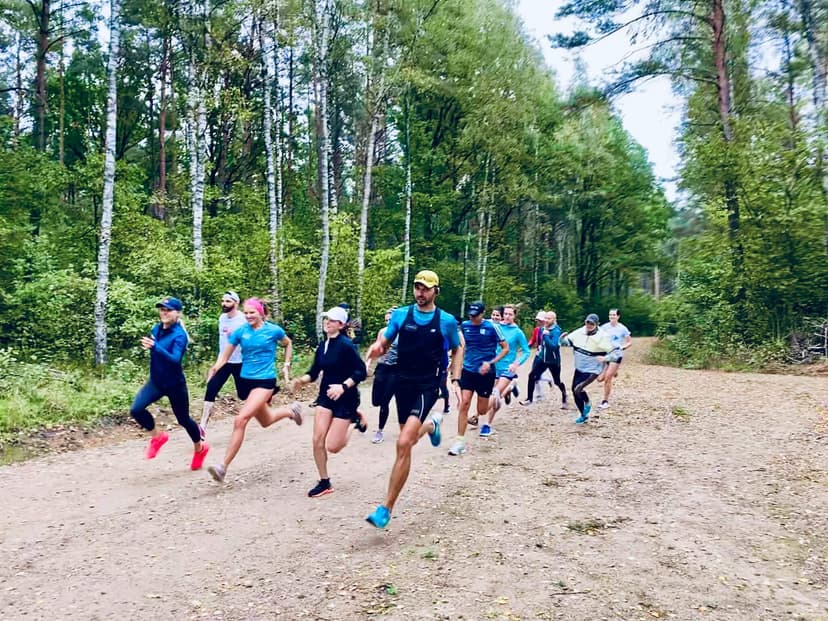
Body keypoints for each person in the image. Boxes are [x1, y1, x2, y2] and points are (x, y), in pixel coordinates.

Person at [364, 270, 462, 529]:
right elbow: (385, 343)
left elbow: (457, 347)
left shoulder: (446, 321)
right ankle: (431, 426)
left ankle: (386, 508)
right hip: (402, 381)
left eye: (426, 288)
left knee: (404, 442)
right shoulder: (400, 315)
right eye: (418, 287)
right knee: (407, 442)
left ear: (435, 292)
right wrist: (377, 349)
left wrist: (455, 379)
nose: (421, 292)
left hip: (427, 384)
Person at [207, 298, 302, 483]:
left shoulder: (273, 330)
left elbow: (287, 343)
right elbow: (224, 356)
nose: (249, 315)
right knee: (266, 421)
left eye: (252, 312)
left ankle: (222, 468)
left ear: (261, 313)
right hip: (246, 382)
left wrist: (286, 364)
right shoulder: (240, 332)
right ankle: (291, 411)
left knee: (240, 419)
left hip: (265, 381)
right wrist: (215, 368)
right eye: (246, 312)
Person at [291, 306, 368, 498]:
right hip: (326, 396)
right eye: (326, 319)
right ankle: (324, 482)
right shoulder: (323, 346)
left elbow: (361, 372)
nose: (327, 322)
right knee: (317, 440)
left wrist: (343, 386)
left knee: (333, 446)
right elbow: (315, 371)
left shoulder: (347, 345)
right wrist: (302, 380)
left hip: (346, 398)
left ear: (340, 325)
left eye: (332, 320)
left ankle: (355, 422)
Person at [130, 297, 209, 470]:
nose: (164, 313)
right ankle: (157, 437)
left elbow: (175, 359)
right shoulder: (156, 329)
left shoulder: (180, 335)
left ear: (178, 313)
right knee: (136, 409)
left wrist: (155, 347)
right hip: (156, 382)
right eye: (162, 309)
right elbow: (157, 350)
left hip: (175, 385)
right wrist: (151, 346)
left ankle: (200, 449)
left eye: (168, 310)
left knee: (184, 420)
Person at [447, 301, 507, 456]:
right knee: (464, 403)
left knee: (481, 410)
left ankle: (495, 397)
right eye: (471, 315)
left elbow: (505, 348)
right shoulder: (465, 326)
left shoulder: (493, 327)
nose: (473, 319)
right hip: (468, 370)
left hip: (486, 373)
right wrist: (453, 367)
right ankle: (459, 442)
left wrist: (491, 362)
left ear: (482, 314)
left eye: (476, 316)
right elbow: (462, 348)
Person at [199, 291, 246, 437]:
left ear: (236, 303)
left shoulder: (244, 319)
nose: (224, 304)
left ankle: (264, 397)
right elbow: (223, 342)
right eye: (223, 301)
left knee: (243, 394)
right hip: (224, 361)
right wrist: (216, 364)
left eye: (227, 301)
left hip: (241, 362)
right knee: (211, 388)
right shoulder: (222, 318)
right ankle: (202, 426)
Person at [559, 313, 618, 425]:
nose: (589, 325)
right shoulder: (579, 332)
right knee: (574, 391)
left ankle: (588, 402)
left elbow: (615, 353)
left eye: (592, 323)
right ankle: (583, 415)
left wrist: (606, 358)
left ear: (597, 324)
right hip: (579, 367)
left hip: (593, 369)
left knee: (578, 389)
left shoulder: (603, 336)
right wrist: (562, 339)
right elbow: (567, 343)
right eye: (587, 322)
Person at [488, 304, 530, 429]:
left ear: (514, 316)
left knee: (495, 394)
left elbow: (526, 351)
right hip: (493, 365)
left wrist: (516, 363)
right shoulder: (495, 327)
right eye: (505, 314)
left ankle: (485, 422)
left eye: (510, 314)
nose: (507, 316)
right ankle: (510, 388)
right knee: (491, 395)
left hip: (507, 367)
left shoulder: (517, 332)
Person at [520, 311, 568, 408]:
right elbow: (540, 342)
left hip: (553, 361)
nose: (546, 320)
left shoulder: (556, 331)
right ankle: (529, 399)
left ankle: (564, 394)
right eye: (545, 318)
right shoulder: (542, 329)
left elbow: (554, 347)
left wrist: (546, 336)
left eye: (549, 318)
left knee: (557, 381)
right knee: (532, 376)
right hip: (542, 358)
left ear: (554, 320)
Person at [365, 306, 399, 444]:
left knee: (385, 402)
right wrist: (368, 362)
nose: (388, 323)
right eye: (386, 320)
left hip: (395, 370)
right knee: (375, 401)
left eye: (390, 320)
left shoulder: (403, 334)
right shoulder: (383, 332)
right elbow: (376, 346)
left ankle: (380, 431)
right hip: (381, 368)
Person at [598, 308, 632, 409]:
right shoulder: (604, 327)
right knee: (600, 379)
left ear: (618, 316)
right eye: (610, 315)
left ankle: (605, 401)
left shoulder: (623, 328)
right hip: (606, 354)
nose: (611, 317)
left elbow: (629, 342)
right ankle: (614, 371)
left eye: (613, 315)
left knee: (607, 378)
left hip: (616, 354)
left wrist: (623, 347)